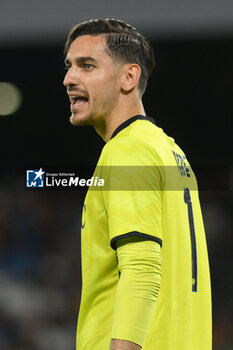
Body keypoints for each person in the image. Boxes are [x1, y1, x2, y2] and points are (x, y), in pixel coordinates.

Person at [63, 18, 212, 350]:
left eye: (87, 66)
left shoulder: (126, 150)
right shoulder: (171, 152)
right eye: (70, 67)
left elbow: (142, 269)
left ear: (129, 77)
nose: (69, 79)